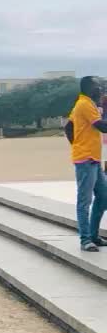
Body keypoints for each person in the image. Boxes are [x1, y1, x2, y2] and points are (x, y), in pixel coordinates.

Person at [64, 76, 107, 252]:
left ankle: (94, 235)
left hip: (93, 159)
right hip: (86, 160)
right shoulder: (84, 104)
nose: (100, 89)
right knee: (84, 201)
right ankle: (86, 240)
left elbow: (68, 127)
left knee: (104, 197)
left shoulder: (85, 104)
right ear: (89, 88)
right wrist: (80, 148)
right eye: (97, 86)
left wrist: (77, 144)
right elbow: (102, 127)